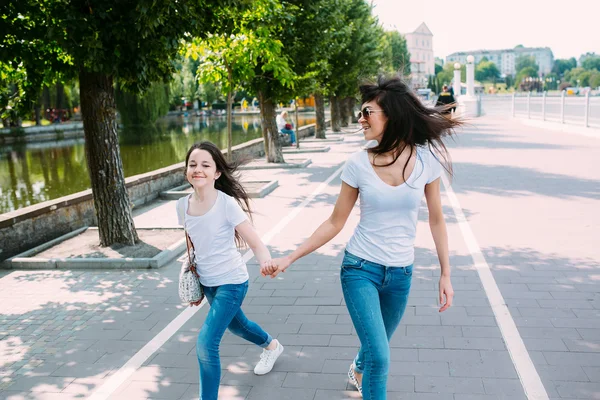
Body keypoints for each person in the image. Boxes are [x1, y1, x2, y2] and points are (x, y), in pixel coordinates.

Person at [262, 76, 459, 399]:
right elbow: (335, 222)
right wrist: (289, 257)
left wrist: (446, 273)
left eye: (368, 112)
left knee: (374, 348)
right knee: (380, 357)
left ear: (391, 117)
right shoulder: (357, 164)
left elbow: (437, 220)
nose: (360, 119)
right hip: (360, 270)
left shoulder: (426, 162)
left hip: (401, 274)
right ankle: (364, 373)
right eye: (360, 112)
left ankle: (356, 368)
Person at [177, 141, 284, 400]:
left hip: (232, 282)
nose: (197, 169)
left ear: (217, 173)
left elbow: (255, 242)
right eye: (193, 164)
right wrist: (193, 279)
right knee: (239, 326)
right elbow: (193, 243)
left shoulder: (226, 204)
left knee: (206, 343)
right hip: (209, 283)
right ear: (186, 171)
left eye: (205, 165)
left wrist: (265, 261)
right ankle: (272, 345)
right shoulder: (182, 206)